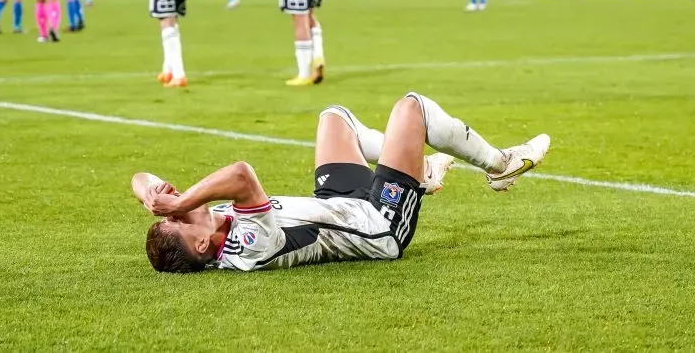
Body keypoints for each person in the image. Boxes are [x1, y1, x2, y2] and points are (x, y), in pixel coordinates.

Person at [134, 92, 551, 273]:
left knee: (335, 117)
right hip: (376, 226)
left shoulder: (207, 228)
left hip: (336, 201)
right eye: (181, 217)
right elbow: (242, 174)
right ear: (201, 244)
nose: (183, 206)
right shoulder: (247, 249)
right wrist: (179, 201)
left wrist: (153, 196)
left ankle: (416, 172)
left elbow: (141, 178)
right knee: (412, 109)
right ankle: (499, 165)